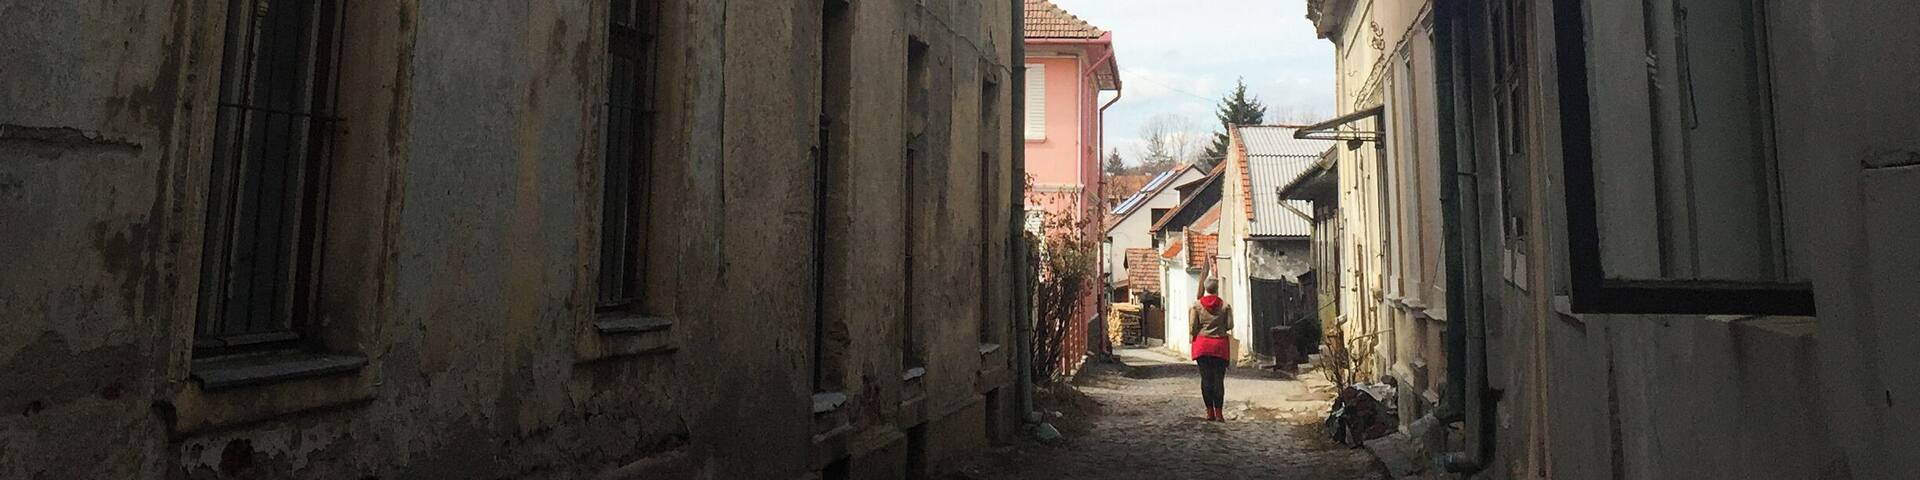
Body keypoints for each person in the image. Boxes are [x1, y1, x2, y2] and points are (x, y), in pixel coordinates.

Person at [1189, 280, 1233, 422]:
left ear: (1205, 288)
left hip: (1202, 345)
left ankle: (1209, 412)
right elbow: (1230, 325)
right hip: (1220, 345)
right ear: (1217, 288)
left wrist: (1199, 332)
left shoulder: (1196, 306)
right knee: (1218, 380)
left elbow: (1192, 327)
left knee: (1206, 379)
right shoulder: (1225, 306)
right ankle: (1219, 413)